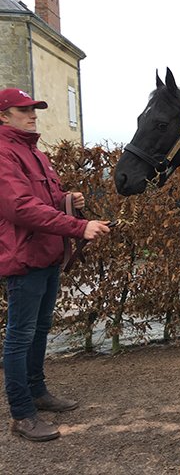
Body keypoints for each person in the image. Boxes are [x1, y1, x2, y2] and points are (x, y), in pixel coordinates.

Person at [0, 87, 111, 442]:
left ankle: (37, 392)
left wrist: (66, 199)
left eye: (34, 109)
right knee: (19, 337)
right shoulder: (3, 153)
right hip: (24, 258)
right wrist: (79, 227)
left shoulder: (35, 153)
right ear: (3, 115)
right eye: (24, 110)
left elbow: (43, 200)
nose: (33, 115)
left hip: (47, 255)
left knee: (39, 330)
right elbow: (20, 208)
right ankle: (22, 415)